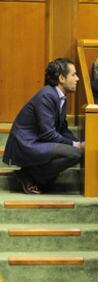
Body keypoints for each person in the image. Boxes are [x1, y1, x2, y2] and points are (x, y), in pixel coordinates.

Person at [2, 58, 83, 194]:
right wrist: (75, 145)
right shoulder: (47, 95)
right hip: (25, 144)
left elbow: (62, 129)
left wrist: (77, 142)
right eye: (73, 75)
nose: (78, 79)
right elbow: (48, 134)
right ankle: (28, 176)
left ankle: (37, 177)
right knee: (73, 153)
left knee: (77, 150)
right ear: (62, 78)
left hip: (38, 141)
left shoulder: (60, 96)